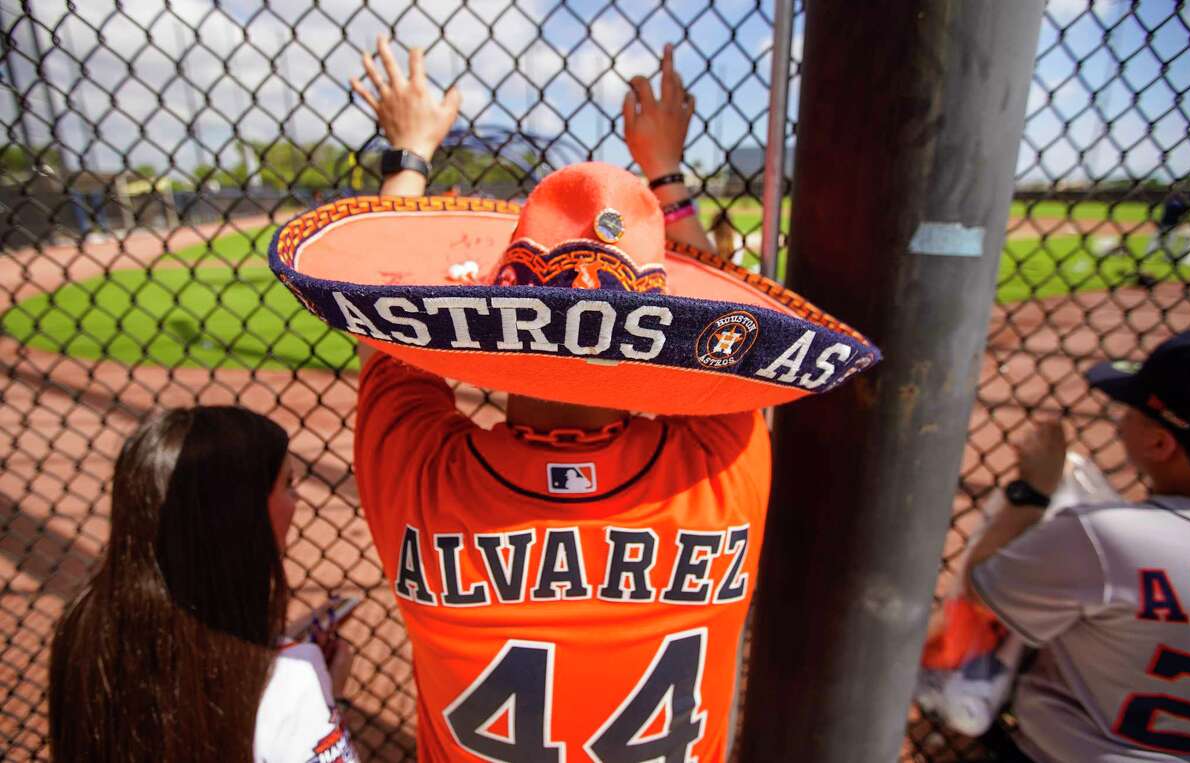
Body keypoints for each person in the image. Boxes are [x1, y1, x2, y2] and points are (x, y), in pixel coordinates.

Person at [271, 36, 877, 760]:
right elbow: (732, 348)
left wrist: (409, 152)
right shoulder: (722, 467)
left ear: (496, 334)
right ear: (653, 338)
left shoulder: (424, 483)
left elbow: (380, 312)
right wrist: (666, 171)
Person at [49, 406, 359, 763]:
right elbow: (269, 706)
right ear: (243, 518)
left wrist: (274, 648)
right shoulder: (292, 684)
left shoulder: (82, 628)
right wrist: (326, 697)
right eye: (288, 484)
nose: (298, 500)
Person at [965, 330, 1190, 762]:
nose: (1119, 419)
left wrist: (1032, 492)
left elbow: (982, 590)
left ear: (1159, 443)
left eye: (1129, 410)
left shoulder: (1108, 538)